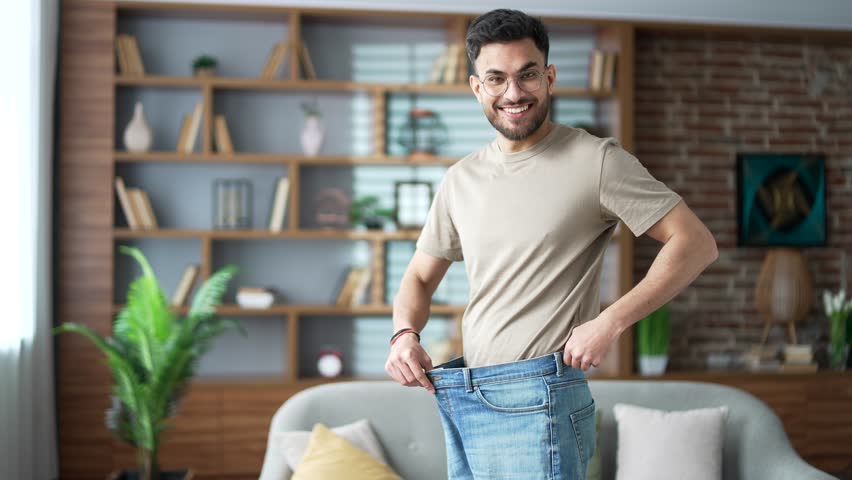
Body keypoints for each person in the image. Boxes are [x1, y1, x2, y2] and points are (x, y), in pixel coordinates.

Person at [385, 8, 718, 479]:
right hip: (463, 392)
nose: (514, 93)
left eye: (528, 75)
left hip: (541, 395)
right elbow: (419, 276)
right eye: (496, 79)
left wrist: (609, 322)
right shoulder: (460, 180)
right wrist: (404, 335)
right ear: (477, 87)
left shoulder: (597, 160)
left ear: (549, 76)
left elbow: (695, 243)